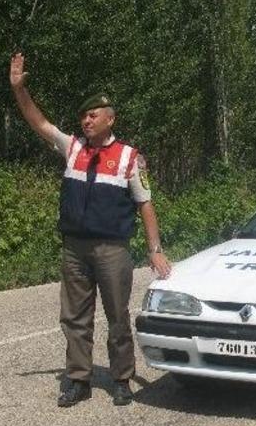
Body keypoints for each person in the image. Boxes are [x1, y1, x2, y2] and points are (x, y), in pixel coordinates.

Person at [9, 52, 172, 407]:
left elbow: (146, 204)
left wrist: (155, 249)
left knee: (117, 317)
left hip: (112, 250)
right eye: (83, 115)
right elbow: (37, 121)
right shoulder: (72, 148)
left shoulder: (131, 157)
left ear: (110, 119)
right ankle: (78, 380)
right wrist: (20, 89)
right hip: (74, 249)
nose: (85, 120)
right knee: (75, 319)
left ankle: (120, 380)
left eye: (93, 115)